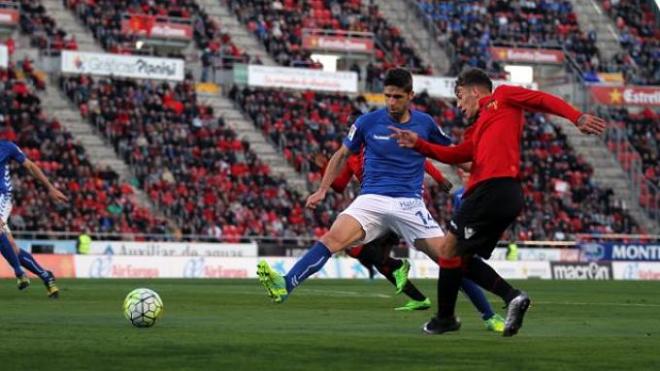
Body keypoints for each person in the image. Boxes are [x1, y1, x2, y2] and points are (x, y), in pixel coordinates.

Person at [257, 67, 500, 325]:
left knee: (448, 258)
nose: (391, 102)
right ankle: (285, 284)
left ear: (410, 95)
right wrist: (321, 189)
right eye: (387, 96)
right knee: (333, 238)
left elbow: (454, 153)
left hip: (409, 203)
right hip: (371, 199)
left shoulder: (425, 123)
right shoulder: (366, 122)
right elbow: (340, 156)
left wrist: (484, 172)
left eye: (397, 97)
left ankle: (489, 315)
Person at [391, 68, 606, 336]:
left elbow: (540, 99)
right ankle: (512, 297)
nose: (459, 106)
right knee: (460, 257)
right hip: (504, 195)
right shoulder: (478, 127)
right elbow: (458, 153)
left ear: (474, 91)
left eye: (459, 97)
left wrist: (577, 116)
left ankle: (446, 318)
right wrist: (420, 145)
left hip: (492, 189)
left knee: (447, 249)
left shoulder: (502, 96)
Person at [315, 151, 505, 330]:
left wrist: (439, 178)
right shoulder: (353, 155)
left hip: (402, 208)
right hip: (375, 210)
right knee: (358, 250)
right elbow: (339, 185)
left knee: (449, 263)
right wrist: (324, 169)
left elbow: (419, 156)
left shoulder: (380, 141)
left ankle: (489, 313)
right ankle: (415, 292)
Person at [0, 140, 68, 298]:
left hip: (2, 196)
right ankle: (46, 276)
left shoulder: (7, 146)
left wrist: (50, 188)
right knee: (12, 247)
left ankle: (19, 273)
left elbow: (30, 166)